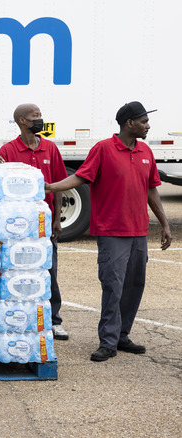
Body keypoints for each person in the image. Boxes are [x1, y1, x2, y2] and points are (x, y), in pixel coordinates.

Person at [46, 101, 173, 362]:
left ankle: (122, 335)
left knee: (134, 285)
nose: (148, 126)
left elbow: (152, 189)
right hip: (112, 232)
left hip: (138, 232)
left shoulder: (145, 151)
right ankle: (108, 341)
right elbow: (81, 177)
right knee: (113, 286)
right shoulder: (103, 149)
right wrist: (52, 187)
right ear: (129, 123)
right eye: (143, 121)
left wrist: (164, 223)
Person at [0, 103, 70, 341]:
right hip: (18, 224)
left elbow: (58, 186)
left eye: (40, 115)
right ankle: (23, 316)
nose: (40, 120)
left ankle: (54, 320)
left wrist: (57, 219)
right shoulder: (7, 150)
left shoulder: (50, 148)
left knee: (49, 270)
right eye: (35, 116)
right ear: (22, 121)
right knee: (18, 270)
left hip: (44, 223)